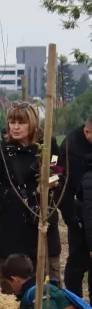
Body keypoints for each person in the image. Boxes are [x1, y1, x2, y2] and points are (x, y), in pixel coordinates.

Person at [0, 103, 61, 286]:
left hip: (41, 225)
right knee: (13, 291)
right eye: (12, 122)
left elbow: (58, 176)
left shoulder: (48, 146)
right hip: (11, 228)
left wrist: (52, 180)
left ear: (33, 124)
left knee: (49, 289)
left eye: (21, 122)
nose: (15, 127)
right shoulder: (1, 149)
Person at [59, 116, 92, 299]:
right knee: (77, 264)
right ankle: (76, 306)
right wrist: (71, 216)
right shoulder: (70, 148)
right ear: (87, 131)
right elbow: (59, 180)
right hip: (76, 213)